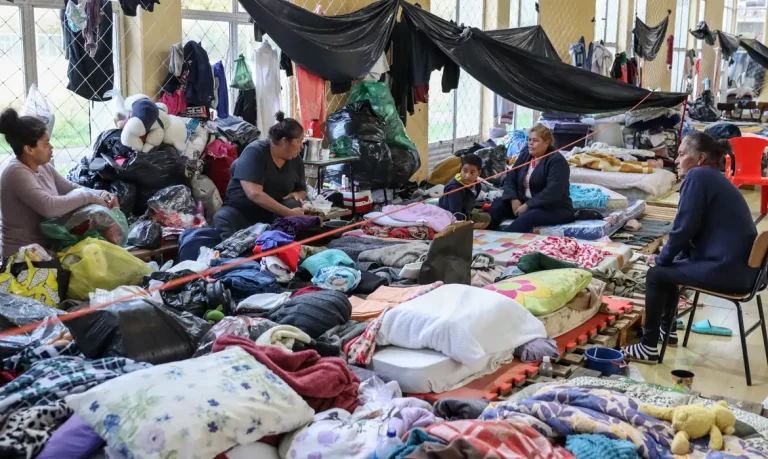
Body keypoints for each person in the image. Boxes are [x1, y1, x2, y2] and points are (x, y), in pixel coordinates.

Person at [623, 132, 759, 363]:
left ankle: (648, 346)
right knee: (672, 267)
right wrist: (671, 258)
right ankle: (668, 330)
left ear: (700, 158)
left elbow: (683, 228)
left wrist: (661, 259)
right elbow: (693, 230)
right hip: (747, 272)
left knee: (657, 274)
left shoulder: (698, 177)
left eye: (683, 154)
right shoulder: (713, 177)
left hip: (728, 271)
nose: (677, 159)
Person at [0, 108, 117, 259]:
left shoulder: (43, 166)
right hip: (23, 259)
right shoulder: (16, 172)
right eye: (46, 143)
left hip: (46, 251)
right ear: (29, 149)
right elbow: (48, 206)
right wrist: (89, 197)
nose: (51, 147)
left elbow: (71, 188)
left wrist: (102, 194)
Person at [213, 112, 307, 238]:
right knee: (222, 218)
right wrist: (288, 212)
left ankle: (280, 249)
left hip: (273, 214)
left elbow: (301, 190)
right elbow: (254, 193)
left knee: (293, 205)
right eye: (299, 141)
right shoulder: (255, 152)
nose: (302, 146)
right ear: (284, 141)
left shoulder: (296, 160)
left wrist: (296, 195)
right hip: (242, 212)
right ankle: (238, 254)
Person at [487, 124, 574, 232]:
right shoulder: (525, 156)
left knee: (529, 216)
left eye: (535, 140)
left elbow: (553, 191)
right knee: (497, 205)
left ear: (546, 143)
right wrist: (514, 199)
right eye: (529, 140)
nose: (530, 143)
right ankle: (483, 235)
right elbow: (511, 178)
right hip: (525, 202)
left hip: (553, 208)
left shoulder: (557, 161)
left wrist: (528, 205)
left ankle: (504, 242)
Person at [438, 153, 491, 228]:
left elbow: (470, 202)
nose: (467, 176)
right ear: (461, 169)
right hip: (450, 216)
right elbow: (455, 213)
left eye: (472, 172)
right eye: (465, 171)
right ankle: (469, 226)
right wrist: (463, 227)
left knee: (487, 216)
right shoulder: (455, 189)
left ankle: (470, 223)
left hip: (465, 211)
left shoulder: (477, 186)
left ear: (479, 173)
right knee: (483, 219)